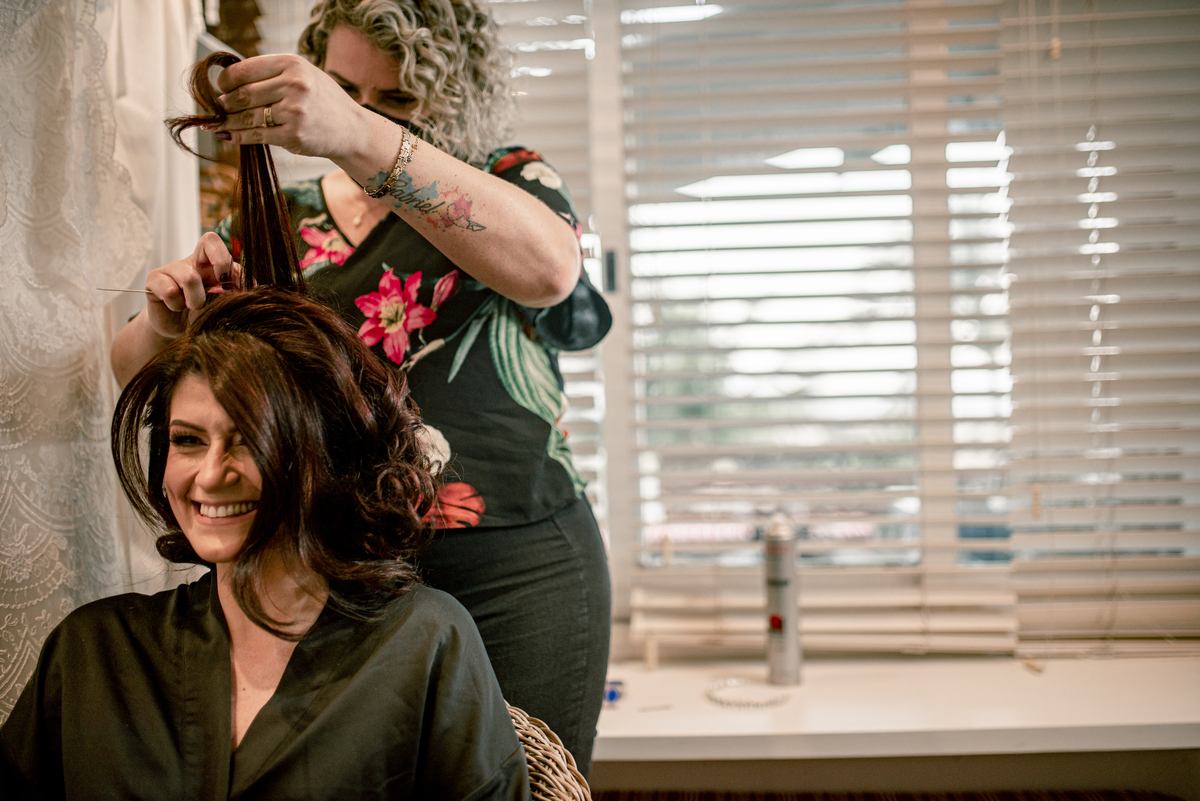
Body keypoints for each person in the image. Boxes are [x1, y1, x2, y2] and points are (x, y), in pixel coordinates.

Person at [110, 0, 611, 774]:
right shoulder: (278, 220)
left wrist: (353, 130)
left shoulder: (505, 179)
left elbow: (550, 271)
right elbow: (143, 377)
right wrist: (163, 322)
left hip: (522, 559)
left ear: (455, 95)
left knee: (526, 780)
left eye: (398, 99)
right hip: (342, 563)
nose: (363, 113)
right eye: (344, 90)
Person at [4, 288, 531, 800]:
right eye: (187, 440)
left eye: (249, 439)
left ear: (324, 455)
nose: (209, 476)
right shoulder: (91, 652)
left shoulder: (425, 641)